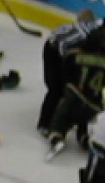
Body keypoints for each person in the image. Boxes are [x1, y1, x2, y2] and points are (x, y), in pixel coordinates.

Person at [46, 14, 105, 161]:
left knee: (60, 120)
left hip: (73, 97)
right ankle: (85, 140)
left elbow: (64, 73)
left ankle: (57, 138)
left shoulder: (74, 56)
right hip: (93, 102)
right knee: (86, 124)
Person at [37, 8, 97, 136]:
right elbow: (63, 49)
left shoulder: (83, 32)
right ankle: (45, 123)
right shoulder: (80, 35)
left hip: (59, 50)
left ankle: (59, 120)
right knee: (57, 89)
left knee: (68, 89)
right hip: (55, 53)